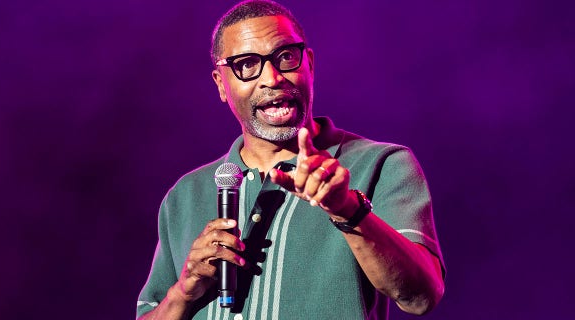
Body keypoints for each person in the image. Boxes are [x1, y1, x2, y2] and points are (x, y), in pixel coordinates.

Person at [136, 1, 445, 319]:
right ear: (221, 84)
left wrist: (348, 210)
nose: (272, 77)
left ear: (309, 64)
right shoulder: (186, 194)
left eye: (285, 57)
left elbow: (421, 297)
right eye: (246, 64)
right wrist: (184, 291)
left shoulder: (382, 165)